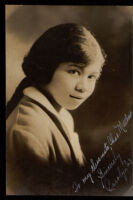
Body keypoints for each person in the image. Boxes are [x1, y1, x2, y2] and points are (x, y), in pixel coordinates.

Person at [6, 23, 106, 195]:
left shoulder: (62, 115)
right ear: (46, 67)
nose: (83, 87)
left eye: (92, 76)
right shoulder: (27, 127)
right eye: (74, 71)